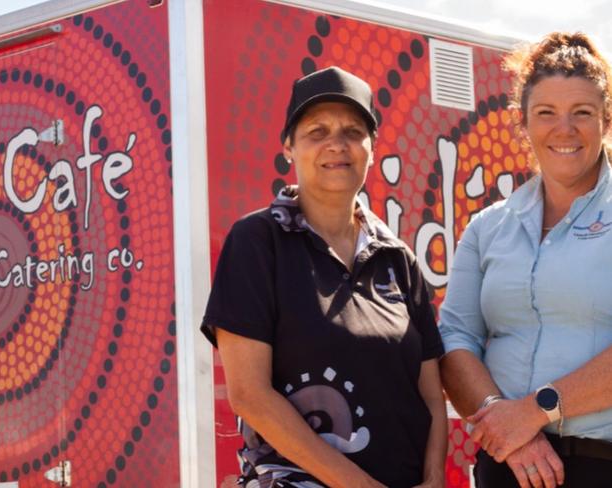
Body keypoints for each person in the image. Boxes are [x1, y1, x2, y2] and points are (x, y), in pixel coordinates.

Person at [201, 66, 447, 488]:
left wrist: (433, 477)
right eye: (317, 131)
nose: (337, 144)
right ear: (289, 148)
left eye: (353, 131)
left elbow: (431, 396)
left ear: (371, 147)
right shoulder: (258, 242)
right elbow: (249, 396)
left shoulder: (398, 259)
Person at [439, 32, 612, 488]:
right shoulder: (488, 227)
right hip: (510, 464)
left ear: (607, 120)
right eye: (546, 113)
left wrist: (536, 410)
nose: (564, 129)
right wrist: (505, 420)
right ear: (522, 123)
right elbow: (455, 337)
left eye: (582, 113)